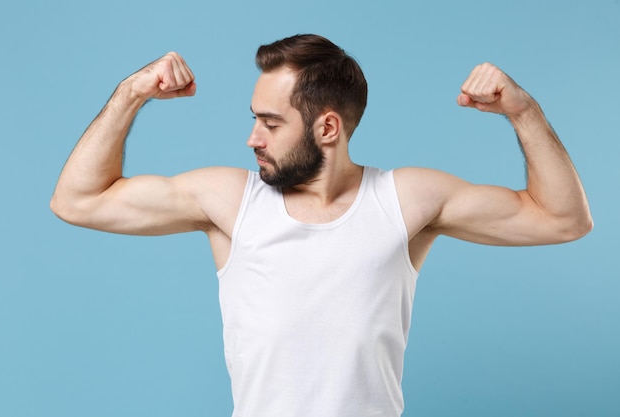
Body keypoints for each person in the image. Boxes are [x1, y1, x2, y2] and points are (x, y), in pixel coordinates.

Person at [51, 34, 592, 417]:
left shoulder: (405, 200)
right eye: (254, 118)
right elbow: (77, 201)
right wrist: (131, 94)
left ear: (327, 126)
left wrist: (523, 112)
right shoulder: (228, 201)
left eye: (270, 122)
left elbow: (563, 219)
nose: (253, 138)